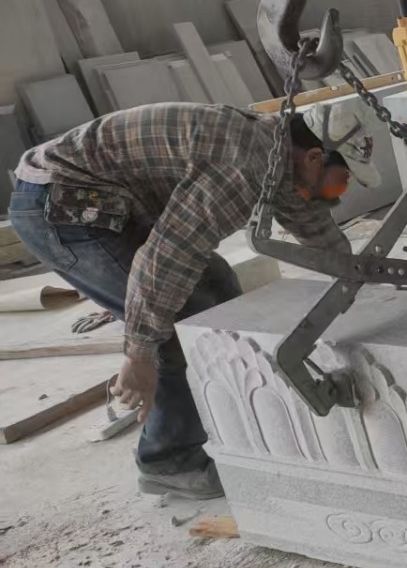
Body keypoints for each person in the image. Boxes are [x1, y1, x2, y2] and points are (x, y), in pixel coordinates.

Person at [7, 102, 362, 500]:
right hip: (61, 205)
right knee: (175, 322)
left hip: (104, 197)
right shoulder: (244, 167)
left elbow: (310, 220)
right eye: (340, 185)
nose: (337, 196)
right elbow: (165, 261)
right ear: (314, 157)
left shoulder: (282, 152)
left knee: (217, 283)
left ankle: (219, 416)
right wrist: (139, 353)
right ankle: (168, 461)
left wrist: (355, 276)